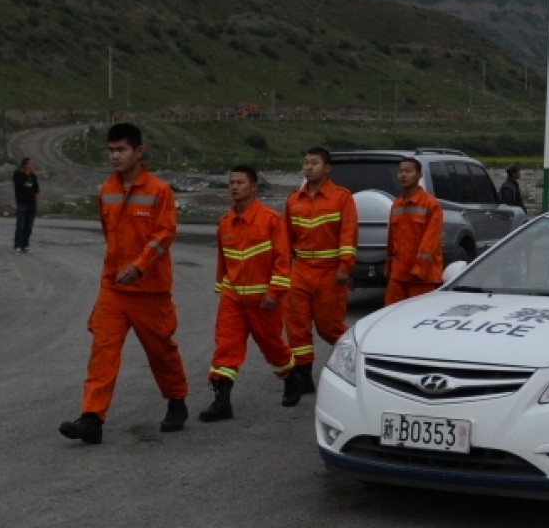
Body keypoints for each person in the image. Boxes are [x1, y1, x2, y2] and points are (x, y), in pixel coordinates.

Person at [59, 123, 189, 444]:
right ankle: (91, 418)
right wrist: (118, 270)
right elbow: (108, 232)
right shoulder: (106, 190)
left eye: (122, 150)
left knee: (161, 351)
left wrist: (140, 266)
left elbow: (165, 235)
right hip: (113, 288)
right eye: (111, 149)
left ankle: (176, 400)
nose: (115, 156)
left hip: (150, 291)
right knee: (102, 351)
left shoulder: (159, 191)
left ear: (138, 152)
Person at [200, 166, 301, 422]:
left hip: (264, 301)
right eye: (231, 182)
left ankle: (291, 378)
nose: (234, 187)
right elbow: (223, 262)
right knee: (225, 347)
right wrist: (222, 288)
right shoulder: (224, 223)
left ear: (254, 187)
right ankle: (222, 402)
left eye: (240, 182)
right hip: (233, 300)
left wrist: (275, 291)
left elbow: (282, 258)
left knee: (273, 347)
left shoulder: (270, 220)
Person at [283, 147, 357, 397]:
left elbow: (348, 235)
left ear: (327, 168)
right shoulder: (293, 199)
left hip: (330, 272)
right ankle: (303, 378)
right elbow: (285, 241)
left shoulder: (341, 197)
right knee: (297, 326)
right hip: (301, 270)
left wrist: (344, 267)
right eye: (305, 163)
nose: (308, 167)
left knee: (329, 327)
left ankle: (358, 360)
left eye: (314, 163)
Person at [384, 157, 443, 305]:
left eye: (408, 171)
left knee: (417, 315)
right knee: (390, 314)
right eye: (400, 171)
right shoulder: (397, 204)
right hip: (398, 274)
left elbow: (430, 241)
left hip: (421, 276)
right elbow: (392, 239)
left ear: (419, 175)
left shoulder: (430, 204)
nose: (403, 175)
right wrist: (389, 268)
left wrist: (419, 269)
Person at [13, 157, 39, 252]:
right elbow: (18, 185)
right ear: (25, 165)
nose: (32, 166)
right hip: (22, 203)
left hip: (31, 204)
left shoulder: (33, 176)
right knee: (21, 225)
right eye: (30, 164)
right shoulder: (17, 174)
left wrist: (36, 201)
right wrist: (25, 175)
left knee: (29, 226)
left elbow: (36, 189)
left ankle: (25, 245)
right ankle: (18, 245)